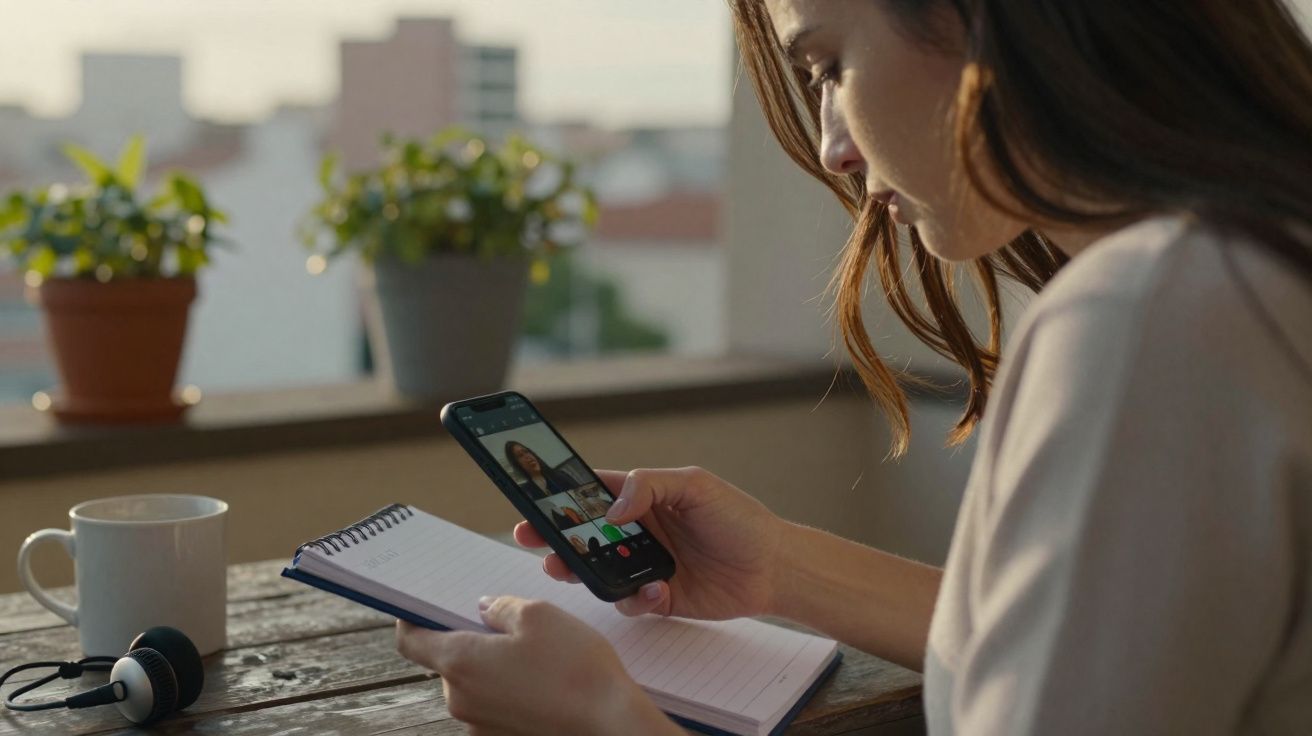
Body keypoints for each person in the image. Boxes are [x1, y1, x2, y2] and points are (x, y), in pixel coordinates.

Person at [396, 1, 1312, 733]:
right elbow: (1109, 652)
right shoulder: (1254, 272)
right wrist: (782, 568)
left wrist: (600, 718)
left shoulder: (1157, 308)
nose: (833, 146)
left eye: (830, 65)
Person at [503, 441, 575, 499]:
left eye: (526, 451)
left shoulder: (560, 475)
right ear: (517, 464)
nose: (527, 456)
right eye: (520, 455)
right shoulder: (526, 492)